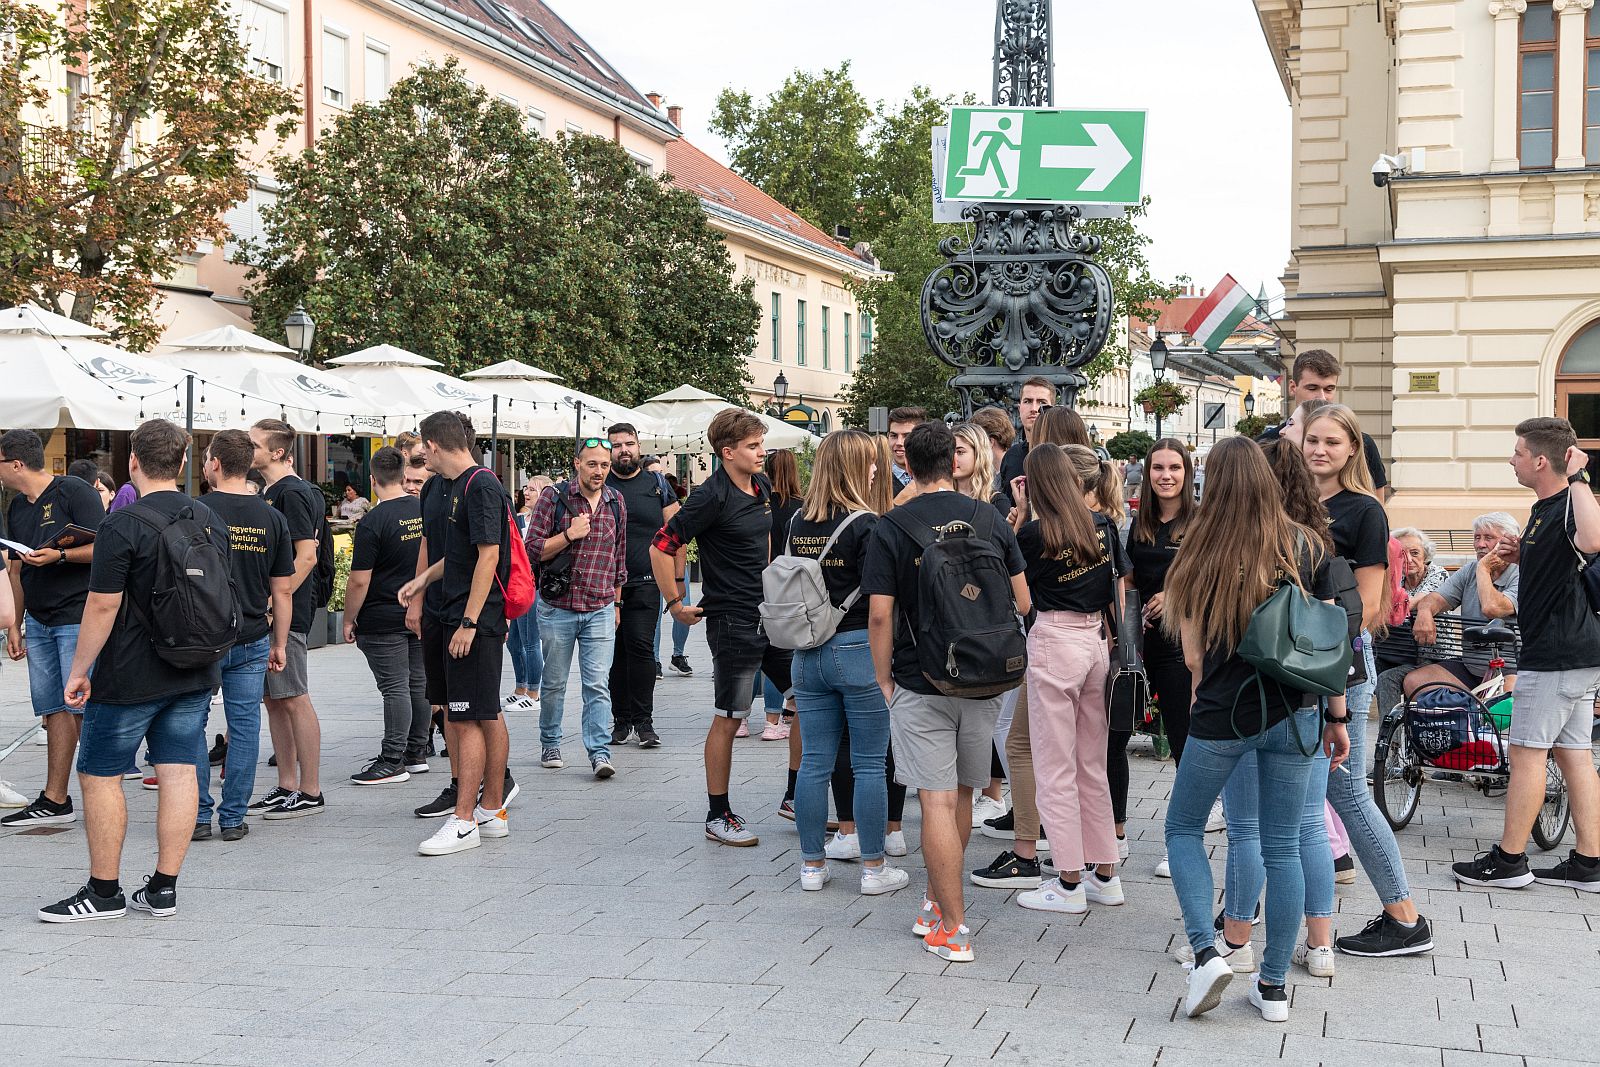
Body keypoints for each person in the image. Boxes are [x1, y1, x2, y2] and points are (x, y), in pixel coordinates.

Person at [1160, 436, 1350, 1022]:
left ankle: (1205, 953)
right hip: (1296, 711)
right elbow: (1331, 638)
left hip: (1224, 710)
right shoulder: (1307, 544)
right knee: (1284, 845)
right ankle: (1272, 988)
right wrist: (1336, 716)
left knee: (1183, 828)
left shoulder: (1199, 548)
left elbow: (1193, 656)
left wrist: (1201, 693)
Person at [38, 419, 233, 922]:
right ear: (184, 462)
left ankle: (104, 892)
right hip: (195, 665)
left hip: (130, 672)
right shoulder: (209, 517)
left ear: (132, 462)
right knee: (179, 770)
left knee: (99, 775)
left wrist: (79, 670)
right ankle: (164, 888)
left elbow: (103, 604)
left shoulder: (121, 524)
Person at [863, 421, 1030, 963]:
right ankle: (936, 902)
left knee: (932, 798)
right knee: (960, 794)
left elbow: (880, 614)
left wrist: (883, 678)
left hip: (921, 677)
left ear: (909, 465)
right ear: (953, 462)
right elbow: (1023, 602)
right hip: (983, 677)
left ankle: (953, 928)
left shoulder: (892, 526)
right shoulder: (988, 517)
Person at [1301, 404, 1434, 957]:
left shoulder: (1363, 511)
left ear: (1353, 449)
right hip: (1294, 663)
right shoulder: (1291, 502)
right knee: (1303, 790)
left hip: (1341, 663)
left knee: (1345, 790)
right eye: (1312, 439)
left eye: (1332, 442)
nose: (1319, 450)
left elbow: (1371, 606)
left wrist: (1312, 632)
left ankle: (1404, 918)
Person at [1453, 418, 1600, 893]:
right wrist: (1523, 557)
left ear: (1539, 460)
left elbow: (1593, 541)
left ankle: (1510, 861)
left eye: (1517, 452)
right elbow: (1561, 565)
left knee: (1526, 754)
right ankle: (1589, 863)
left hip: (1554, 655)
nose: (1511, 460)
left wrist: (1580, 476)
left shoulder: (1571, 499)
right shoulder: (1544, 508)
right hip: (1571, 653)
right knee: (1574, 755)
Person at [651, 409, 790, 847]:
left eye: (761, 443)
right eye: (753, 445)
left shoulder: (761, 485)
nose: (762, 452)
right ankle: (718, 814)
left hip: (771, 614)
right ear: (727, 452)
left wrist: (771, 577)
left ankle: (795, 797)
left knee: (805, 701)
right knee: (730, 717)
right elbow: (661, 547)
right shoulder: (709, 497)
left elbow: (764, 539)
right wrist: (675, 604)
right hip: (732, 618)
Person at [1010, 443, 1129, 915]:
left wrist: (1019, 519)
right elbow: (1118, 588)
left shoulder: (1034, 535)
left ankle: (1068, 881)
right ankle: (1106, 874)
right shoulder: (1101, 525)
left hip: (1054, 638)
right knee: (1091, 765)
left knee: (1055, 769)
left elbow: (1019, 596)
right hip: (1096, 640)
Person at [790, 429, 909, 897]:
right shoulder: (868, 526)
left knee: (814, 763)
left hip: (807, 652)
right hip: (858, 648)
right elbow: (881, 607)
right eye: (871, 462)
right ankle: (873, 868)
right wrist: (886, 667)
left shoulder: (798, 522)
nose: (877, 469)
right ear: (857, 468)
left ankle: (811, 866)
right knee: (869, 764)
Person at [399, 411, 514, 855]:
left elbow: (489, 557)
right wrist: (422, 582)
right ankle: (490, 812)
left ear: (432, 445)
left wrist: (469, 622)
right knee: (463, 711)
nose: (418, 455)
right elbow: (457, 553)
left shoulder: (482, 485)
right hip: (445, 613)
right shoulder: (440, 487)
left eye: (420, 447)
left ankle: (465, 820)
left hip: (473, 620)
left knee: (469, 716)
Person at [185, 430, 292, 842]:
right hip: (251, 634)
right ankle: (233, 818)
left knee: (192, 722)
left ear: (214, 463)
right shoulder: (272, 517)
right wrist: (279, 642)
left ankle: (198, 814)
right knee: (245, 725)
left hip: (202, 637)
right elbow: (282, 590)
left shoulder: (195, 511)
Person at [1, 429, 107, 828]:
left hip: (77, 616)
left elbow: (104, 547)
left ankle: (101, 791)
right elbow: (15, 569)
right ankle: (55, 798)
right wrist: (15, 623)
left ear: (16, 464)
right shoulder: (17, 506)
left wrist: (60, 555)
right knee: (52, 710)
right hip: (39, 619)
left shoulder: (74, 491)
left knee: (79, 706)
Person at [526, 438, 627, 779]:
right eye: (592, 464)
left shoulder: (615, 501)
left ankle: (599, 752)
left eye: (604, 465)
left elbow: (619, 557)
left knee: (597, 684)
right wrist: (569, 535)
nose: (599, 471)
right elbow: (532, 550)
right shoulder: (553, 498)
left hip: (600, 606)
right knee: (554, 682)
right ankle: (550, 742)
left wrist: (617, 602)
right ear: (577, 464)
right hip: (559, 607)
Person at [1122, 438, 1199, 876]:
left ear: (1187, 472)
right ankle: (1113, 835)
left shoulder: (1201, 522)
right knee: (1119, 734)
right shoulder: (1140, 522)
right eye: (1157, 468)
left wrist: (1174, 595)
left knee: (1183, 741)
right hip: (1143, 642)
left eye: (1174, 467)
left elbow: (1214, 576)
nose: (1165, 476)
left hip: (1182, 645)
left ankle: (1184, 837)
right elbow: (1130, 577)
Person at [247, 419, 329, 820]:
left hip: (286, 612)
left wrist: (273, 601)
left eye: (253, 444)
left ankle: (310, 790)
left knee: (294, 697)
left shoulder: (292, 493)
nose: (247, 450)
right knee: (275, 699)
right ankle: (286, 785)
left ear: (277, 452)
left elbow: (306, 557)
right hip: (273, 610)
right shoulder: (272, 492)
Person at [1377, 513, 1521, 719]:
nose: (1480, 544)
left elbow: (1492, 608)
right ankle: (1456, 729)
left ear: (1509, 542)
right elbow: (1436, 598)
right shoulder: (1469, 570)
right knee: (1414, 681)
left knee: (1503, 708)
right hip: (1471, 667)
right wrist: (1425, 612)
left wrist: (1483, 569)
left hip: (1511, 668)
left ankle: (1474, 722)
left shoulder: (1520, 572)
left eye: (1488, 538)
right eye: (1477, 537)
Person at [343, 446, 430, 785]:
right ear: (403, 475)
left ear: (372, 480)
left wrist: (349, 619)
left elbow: (359, 580)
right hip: (420, 611)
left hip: (382, 615)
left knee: (395, 687)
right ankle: (416, 752)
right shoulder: (423, 509)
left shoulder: (373, 521)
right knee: (417, 683)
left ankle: (393, 759)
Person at [606, 426, 676, 748]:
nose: (624, 450)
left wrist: (676, 581)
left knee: (641, 647)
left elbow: (675, 532)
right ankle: (621, 721)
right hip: (606, 585)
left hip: (646, 581)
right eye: (617, 445)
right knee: (615, 653)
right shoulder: (602, 484)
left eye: (629, 444)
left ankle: (644, 722)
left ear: (638, 446)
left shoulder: (657, 484)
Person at [1258, 350, 1390, 499]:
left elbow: (1377, 499)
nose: (1322, 397)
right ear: (1293, 387)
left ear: (1352, 448)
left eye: (1329, 389)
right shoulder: (1266, 445)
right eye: (1312, 388)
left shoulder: (1361, 442)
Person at [763, 448, 804, 743]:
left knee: (767, 653)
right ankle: (789, 707)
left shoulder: (761, 507)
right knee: (787, 652)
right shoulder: (803, 509)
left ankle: (761, 719)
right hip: (793, 587)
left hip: (766, 584)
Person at [506, 477, 549, 713]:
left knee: (531, 641)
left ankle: (534, 692)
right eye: (526, 488)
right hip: (518, 586)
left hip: (534, 586)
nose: (527, 492)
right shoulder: (521, 519)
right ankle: (520, 687)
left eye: (533, 489)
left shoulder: (546, 524)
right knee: (514, 641)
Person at [997, 377, 1057, 488]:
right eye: (1027, 401)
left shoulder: (1062, 454)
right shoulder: (1011, 456)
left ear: (1052, 409)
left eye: (1041, 402)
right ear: (1019, 408)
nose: (1034, 408)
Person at [1392, 527, 1447, 599]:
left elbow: (1416, 602)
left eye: (1415, 553)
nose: (1409, 560)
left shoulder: (1439, 574)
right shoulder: (1396, 578)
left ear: (1425, 555)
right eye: (1401, 554)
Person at [886, 407, 926, 492]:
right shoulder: (875, 478)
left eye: (907, 436)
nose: (899, 443)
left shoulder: (935, 477)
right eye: (894, 436)